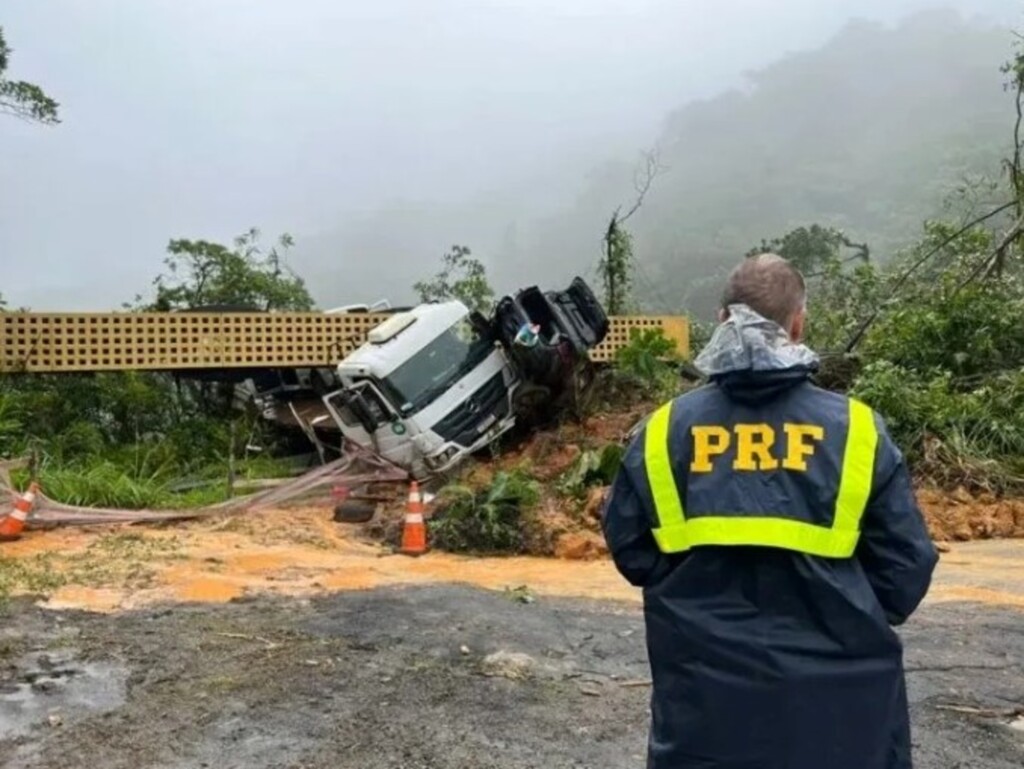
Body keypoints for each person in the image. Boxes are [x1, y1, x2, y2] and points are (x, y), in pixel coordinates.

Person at [601, 253, 938, 769]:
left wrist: (696, 603)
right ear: (798, 323)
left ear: (721, 321)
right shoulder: (857, 432)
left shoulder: (664, 432)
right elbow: (904, 570)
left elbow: (631, 549)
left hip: (705, 717)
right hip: (845, 720)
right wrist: (840, 618)